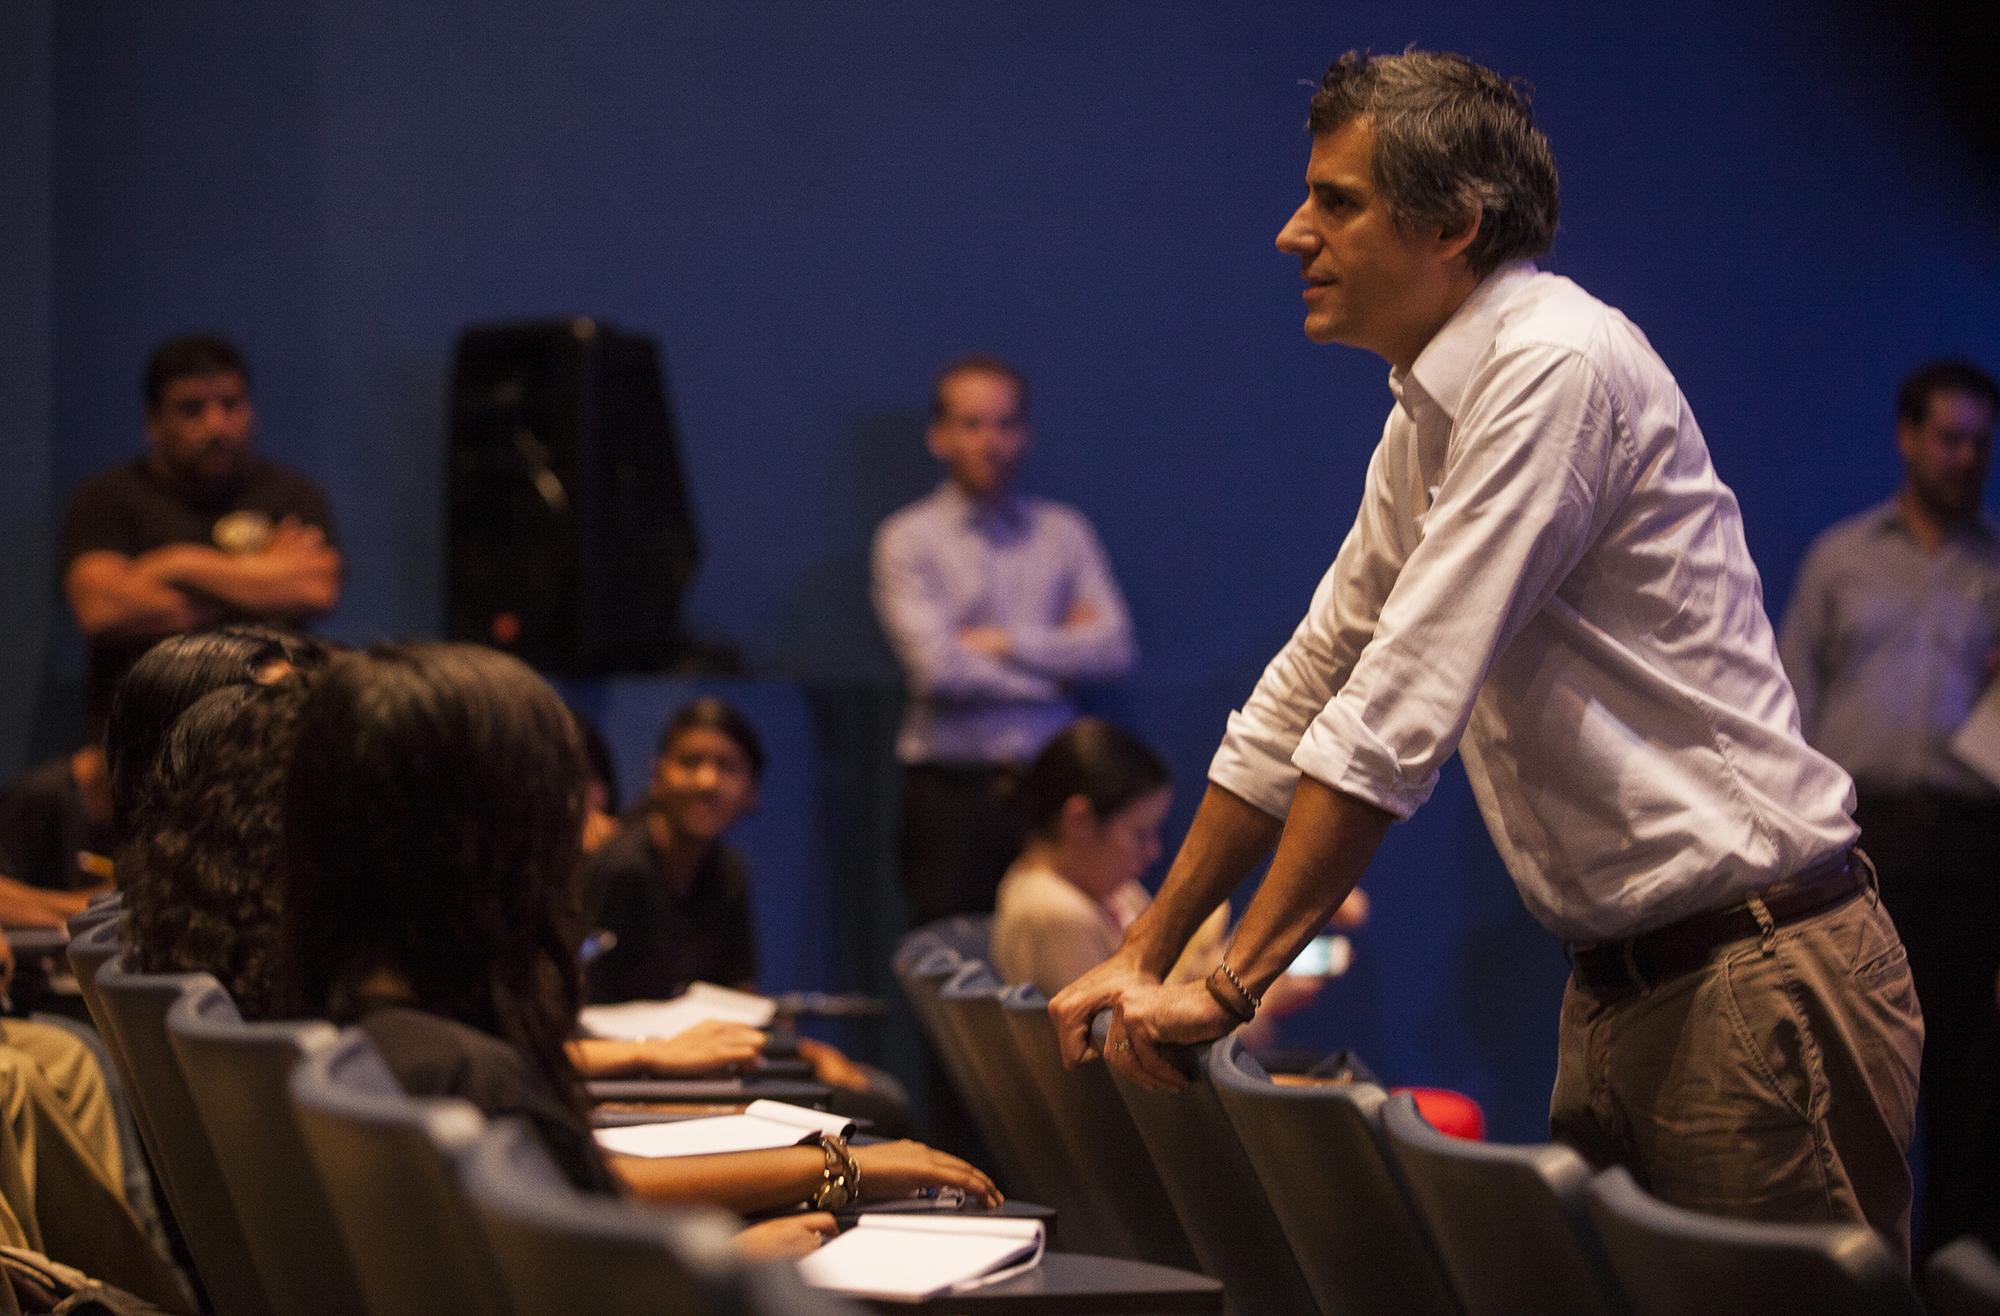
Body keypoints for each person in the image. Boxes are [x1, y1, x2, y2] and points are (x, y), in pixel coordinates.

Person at [1051, 49, 1922, 1260]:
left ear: (1454, 221)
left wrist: (1230, 980)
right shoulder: (1428, 412)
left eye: (1336, 201)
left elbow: (1397, 709)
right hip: (1628, 984)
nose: (1289, 232)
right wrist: (1145, 949)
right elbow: (1309, 683)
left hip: (1754, 970)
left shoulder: (1552, 363)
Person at [280, 644, 997, 1256]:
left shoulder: (357, 1022)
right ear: (486, 839)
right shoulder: (465, 1077)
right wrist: (734, 1264)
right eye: (559, 806)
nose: (583, 835)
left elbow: (582, 1193)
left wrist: (826, 1167)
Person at [1779, 357, 2000, 1253]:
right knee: (1851, 1068)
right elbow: (1788, 703)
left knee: (1968, 1081)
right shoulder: (1842, 559)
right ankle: (1847, 1273)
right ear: (1909, 438)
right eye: (1949, 438)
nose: (1965, 458)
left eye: (1981, 444)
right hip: (1860, 838)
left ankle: (1953, 1280)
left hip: (1972, 842)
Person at [873, 356, 1137, 925]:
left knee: (1060, 965)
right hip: (951, 797)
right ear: (939, 437)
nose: (991, 442)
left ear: (1026, 434)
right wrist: (1055, 670)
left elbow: (1114, 647)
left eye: (1005, 423)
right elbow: (937, 670)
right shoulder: (907, 538)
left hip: (1050, 791)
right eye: (971, 425)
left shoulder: (1063, 533)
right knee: (952, 971)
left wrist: (1001, 642)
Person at [62, 335, 340, 734]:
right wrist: (261, 584)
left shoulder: (293, 494)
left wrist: (177, 564)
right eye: (192, 409)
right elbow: (101, 608)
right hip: (145, 735)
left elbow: (316, 588)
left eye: (231, 404)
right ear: (152, 421)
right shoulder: (106, 497)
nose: (217, 424)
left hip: (271, 730)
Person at [582, 699, 764, 1004]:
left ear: (752, 792)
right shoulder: (620, 867)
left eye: (728, 767)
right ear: (657, 776)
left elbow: (738, 991)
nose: (707, 783)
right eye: (690, 762)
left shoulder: (729, 871)